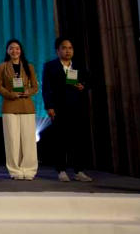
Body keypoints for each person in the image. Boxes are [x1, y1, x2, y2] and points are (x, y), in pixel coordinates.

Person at [42, 37, 93, 182]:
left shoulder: (78, 65)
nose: (67, 51)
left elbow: (90, 81)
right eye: (64, 48)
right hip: (59, 108)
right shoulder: (50, 66)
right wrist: (49, 106)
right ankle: (61, 170)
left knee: (78, 139)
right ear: (57, 51)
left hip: (77, 107)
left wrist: (83, 86)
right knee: (60, 140)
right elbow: (46, 88)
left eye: (70, 48)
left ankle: (79, 170)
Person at [0, 38, 39, 180]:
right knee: (12, 141)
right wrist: (10, 94)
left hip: (27, 106)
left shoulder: (29, 66)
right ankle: (15, 171)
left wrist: (28, 92)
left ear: (21, 51)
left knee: (28, 141)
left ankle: (29, 170)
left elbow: (35, 86)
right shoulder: (2, 66)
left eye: (17, 48)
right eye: (11, 48)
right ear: (7, 51)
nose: (14, 51)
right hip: (9, 106)